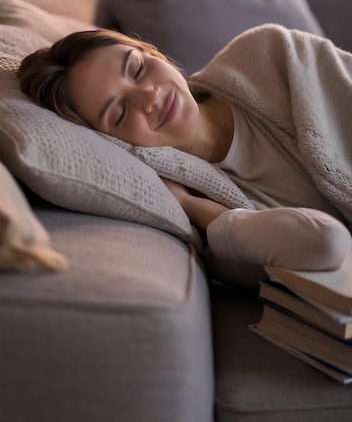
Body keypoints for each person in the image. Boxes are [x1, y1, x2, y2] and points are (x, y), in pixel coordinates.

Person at [17, 27, 352, 287]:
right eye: (119, 113)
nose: (149, 97)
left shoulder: (270, 55)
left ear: (154, 53)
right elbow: (323, 242)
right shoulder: (198, 205)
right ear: (109, 139)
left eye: (137, 69)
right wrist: (194, 206)